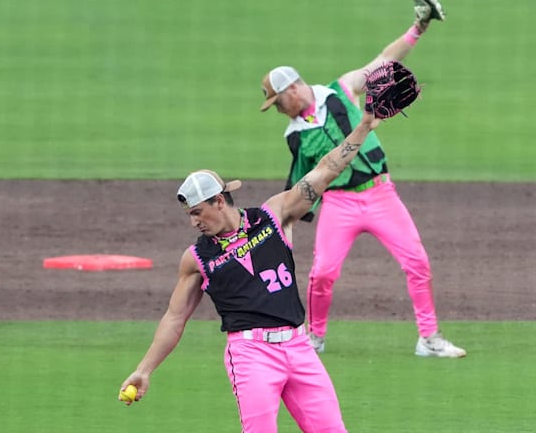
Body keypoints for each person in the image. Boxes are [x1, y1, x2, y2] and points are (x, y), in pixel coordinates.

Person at [120, 110, 383, 433]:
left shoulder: (274, 216)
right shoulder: (197, 258)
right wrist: (144, 370)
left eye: (197, 212)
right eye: (190, 215)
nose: (194, 222)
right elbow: (175, 318)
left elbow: (325, 170)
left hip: (299, 347)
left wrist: (364, 126)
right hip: (251, 353)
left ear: (219, 201)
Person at [258, 0, 465, 358]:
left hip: (381, 194)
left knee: (417, 262)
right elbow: (301, 186)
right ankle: (314, 338)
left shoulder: (341, 90)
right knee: (322, 274)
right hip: (338, 203)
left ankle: (429, 338)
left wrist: (418, 28)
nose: (276, 108)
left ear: (292, 88)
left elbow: (384, 60)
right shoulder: (294, 135)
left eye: (277, 100)